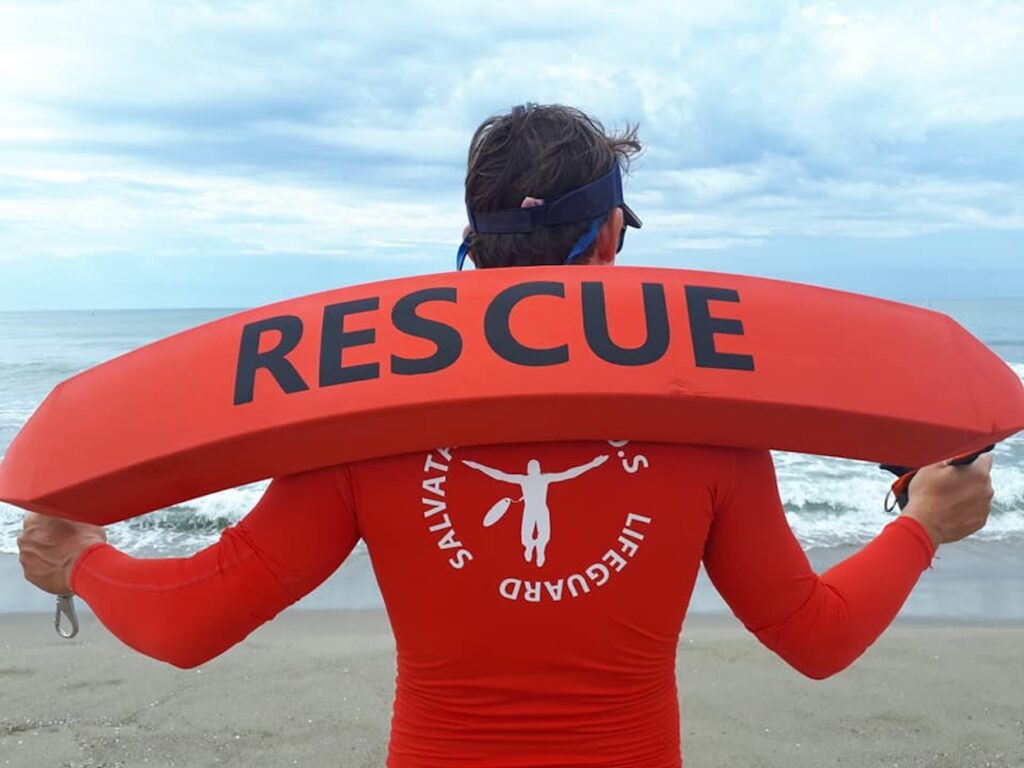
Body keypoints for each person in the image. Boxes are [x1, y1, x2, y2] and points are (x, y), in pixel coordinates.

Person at [18, 104, 995, 768]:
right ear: (608, 237)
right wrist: (923, 523)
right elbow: (817, 638)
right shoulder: (703, 429)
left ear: (473, 243)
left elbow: (189, 623)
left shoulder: (370, 422)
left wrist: (82, 560)